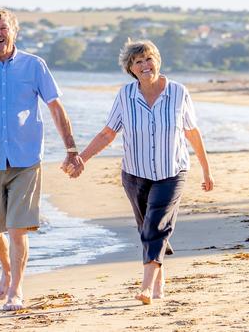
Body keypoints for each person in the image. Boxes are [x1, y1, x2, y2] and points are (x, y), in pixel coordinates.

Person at [0, 8, 84, 311]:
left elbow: (55, 107)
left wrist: (71, 148)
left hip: (26, 160)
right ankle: (7, 267)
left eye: (3, 28)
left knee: (17, 229)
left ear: (14, 31)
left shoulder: (34, 66)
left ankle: (16, 290)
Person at [66, 39, 214, 305]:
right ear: (131, 68)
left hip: (172, 172)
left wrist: (206, 170)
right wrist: (82, 159)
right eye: (138, 61)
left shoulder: (179, 93)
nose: (145, 65)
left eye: (149, 59)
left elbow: (192, 132)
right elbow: (108, 133)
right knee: (147, 228)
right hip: (135, 174)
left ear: (158, 60)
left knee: (155, 227)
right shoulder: (125, 95)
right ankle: (159, 278)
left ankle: (146, 288)